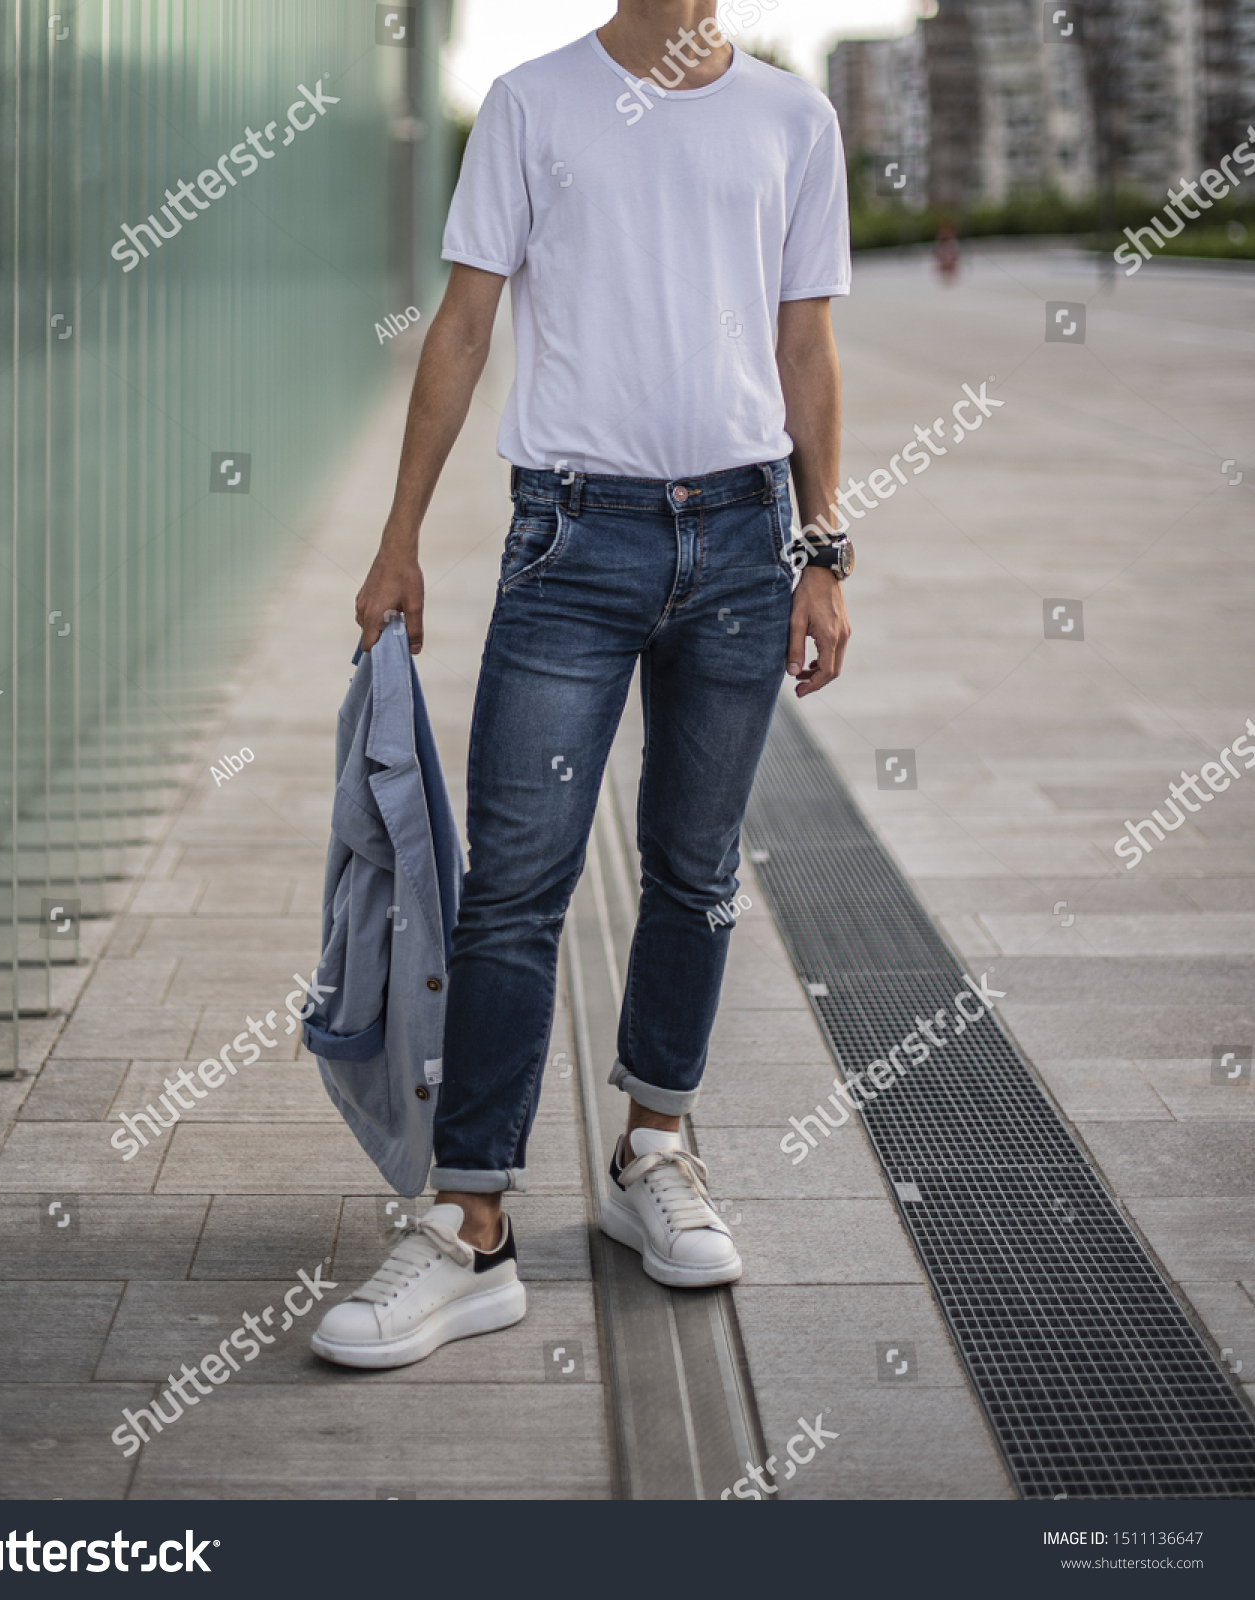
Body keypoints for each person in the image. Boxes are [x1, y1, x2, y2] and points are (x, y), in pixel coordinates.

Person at [311, 0, 853, 1370]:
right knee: (516, 885)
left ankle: (654, 1151)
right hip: (571, 537)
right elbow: (463, 327)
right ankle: (471, 1220)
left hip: (739, 540)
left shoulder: (793, 117)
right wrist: (398, 541)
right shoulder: (532, 102)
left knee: (695, 865)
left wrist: (823, 547)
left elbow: (806, 349)